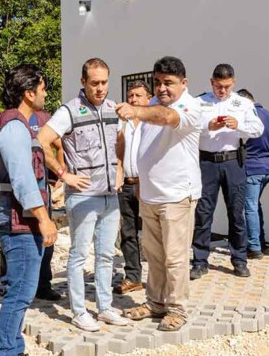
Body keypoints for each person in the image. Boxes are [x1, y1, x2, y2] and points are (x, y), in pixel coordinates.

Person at [0, 63, 57, 356]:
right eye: (42, 88)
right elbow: (23, 180)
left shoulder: (20, 125)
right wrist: (43, 219)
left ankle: (16, 353)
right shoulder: (13, 127)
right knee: (19, 295)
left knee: (22, 292)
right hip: (18, 221)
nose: (45, 94)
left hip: (21, 219)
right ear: (30, 92)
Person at [37, 58, 129, 331]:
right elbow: (41, 141)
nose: (100, 88)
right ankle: (78, 311)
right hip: (83, 196)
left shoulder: (114, 109)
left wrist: (121, 168)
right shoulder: (69, 111)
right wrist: (64, 175)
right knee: (78, 255)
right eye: (94, 83)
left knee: (106, 255)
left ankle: (105, 307)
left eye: (104, 82)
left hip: (110, 194)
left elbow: (120, 139)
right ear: (83, 82)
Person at [115, 56, 202, 332]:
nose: (162, 88)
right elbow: (145, 147)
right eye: (158, 82)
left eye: (169, 83)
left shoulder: (190, 106)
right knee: (153, 254)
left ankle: (177, 309)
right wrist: (141, 182)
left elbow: (167, 119)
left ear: (183, 83)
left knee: (175, 257)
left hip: (177, 195)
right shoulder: (153, 104)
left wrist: (137, 111)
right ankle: (155, 302)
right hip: (150, 194)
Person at [191, 64, 264, 279]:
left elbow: (258, 129)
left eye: (227, 86)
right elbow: (189, 127)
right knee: (203, 213)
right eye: (219, 86)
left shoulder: (242, 103)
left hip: (233, 162)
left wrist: (238, 125)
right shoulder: (199, 101)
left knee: (236, 213)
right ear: (211, 81)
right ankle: (200, 261)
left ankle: (239, 260)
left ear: (234, 83)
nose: (222, 91)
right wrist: (207, 127)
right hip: (207, 163)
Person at [0, 111, 63, 301]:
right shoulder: (3, 120)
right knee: (13, 242)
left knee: (45, 240)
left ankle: (43, 285)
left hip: (39, 192)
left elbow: (59, 145)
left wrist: (59, 174)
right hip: (11, 197)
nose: (45, 94)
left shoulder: (43, 119)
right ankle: (8, 285)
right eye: (41, 89)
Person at [113, 80, 152, 294]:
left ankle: (157, 279)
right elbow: (119, 148)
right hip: (127, 184)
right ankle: (133, 276)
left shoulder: (152, 123)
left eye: (138, 95)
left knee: (152, 234)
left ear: (148, 98)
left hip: (147, 186)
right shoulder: (123, 123)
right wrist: (118, 170)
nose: (133, 99)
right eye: (131, 96)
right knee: (127, 232)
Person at [236, 88, 269, 259]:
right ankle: (261, 240)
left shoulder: (248, 117)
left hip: (251, 167)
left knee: (250, 207)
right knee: (255, 204)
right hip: (267, 166)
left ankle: (254, 247)